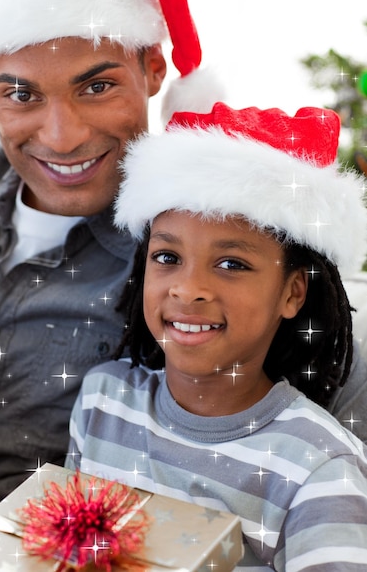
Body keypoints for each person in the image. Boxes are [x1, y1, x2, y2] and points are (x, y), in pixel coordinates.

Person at [0, 0, 223, 537]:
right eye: (21, 94)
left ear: (154, 68)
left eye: (96, 87)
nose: (62, 136)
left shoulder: (204, 255)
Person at [67, 103, 367, 570]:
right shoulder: (101, 402)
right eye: (167, 257)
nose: (188, 289)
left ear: (292, 293)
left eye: (232, 264)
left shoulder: (319, 467)